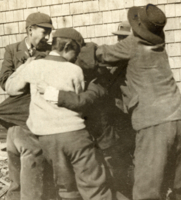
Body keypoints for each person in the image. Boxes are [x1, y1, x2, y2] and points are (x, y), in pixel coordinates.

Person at [96, 4, 181, 200]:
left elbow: (101, 55)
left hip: (155, 124)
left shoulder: (133, 44)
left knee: (146, 191)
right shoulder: (159, 43)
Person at [6, 28, 113, 200]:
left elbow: (11, 88)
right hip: (74, 134)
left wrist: (26, 66)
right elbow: (78, 102)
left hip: (47, 139)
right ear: (68, 47)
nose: (76, 57)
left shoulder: (34, 66)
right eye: (76, 52)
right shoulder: (74, 70)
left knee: (66, 189)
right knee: (94, 187)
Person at [0, 12, 54, 200]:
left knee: (36, 172)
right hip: (16, 119)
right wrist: (26, 68)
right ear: (30, 30)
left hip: (37, 120)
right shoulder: (12, 49)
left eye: (50, 32)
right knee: (16, 179)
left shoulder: (50, 51)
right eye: (45, 32)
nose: (48, 37)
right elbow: (5, 81)